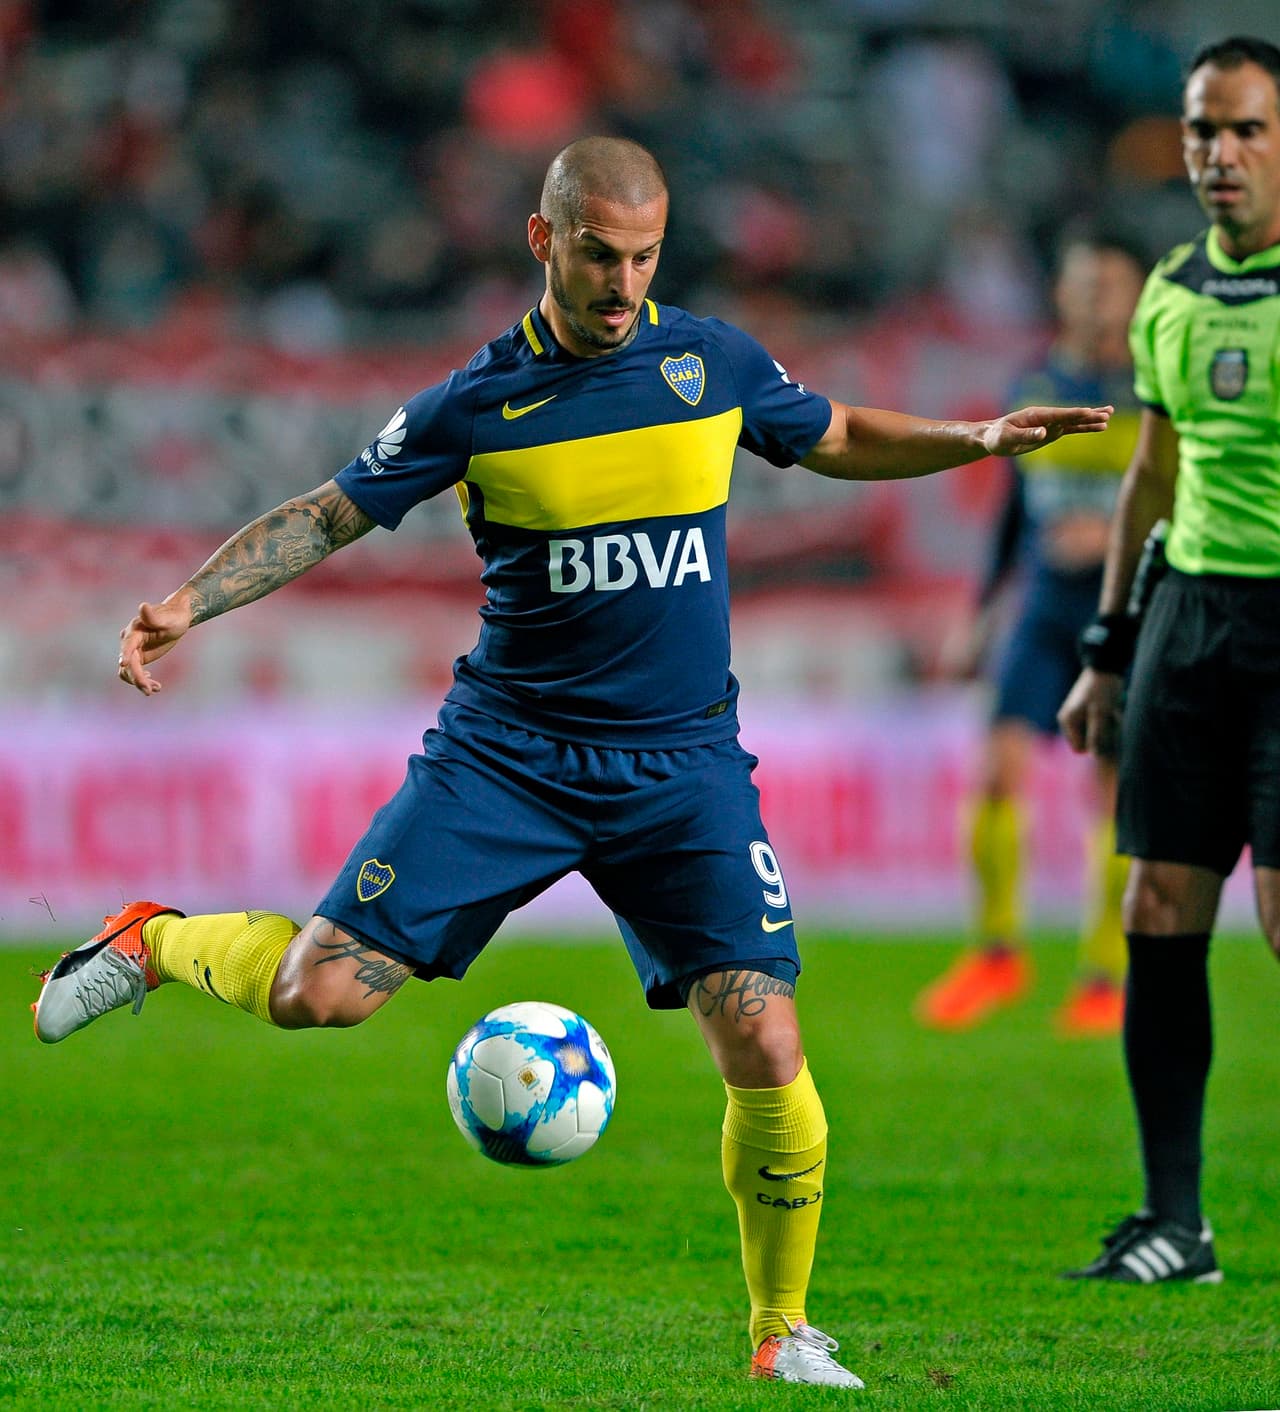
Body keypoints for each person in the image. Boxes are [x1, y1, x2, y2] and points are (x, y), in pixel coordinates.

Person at [34, 136, 1111, 1383]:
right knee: (315, 995)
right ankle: (151, 938)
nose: (622, 282)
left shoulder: (710, 362)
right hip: (509, 756)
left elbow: (834, 432)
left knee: (763, 1037)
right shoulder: (477, 402)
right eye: (600, 254)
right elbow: (328, 512)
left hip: (681, 763)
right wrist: (187, 600)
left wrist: (974, 435)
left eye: (645, 256)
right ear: (544, 240)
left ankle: (779, 1333)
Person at [1058, 36, 1280, 1284]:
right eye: (1203, 130)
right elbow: (1152, 470)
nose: (1219, 154)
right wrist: (1104, 649)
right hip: (1189, 622)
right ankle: (1173, 1221)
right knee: (1155, 904)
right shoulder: (1170, 290)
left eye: (1245, 128)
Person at [916, 232, 1147, 1036]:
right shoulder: (1037, 382)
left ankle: (1104, 976)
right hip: (1045, 609)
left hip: (1125, 612)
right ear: (1060, 294)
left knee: (1112, 792)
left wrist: (1111, 536)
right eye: (1082, 284)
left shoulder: (1160, 387)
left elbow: (1186, 502)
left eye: (1109, 285)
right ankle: (996, 954)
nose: (1093, 300)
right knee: (996, 769)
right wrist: (984, 609)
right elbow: (1015, 511)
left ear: (1138, 293)